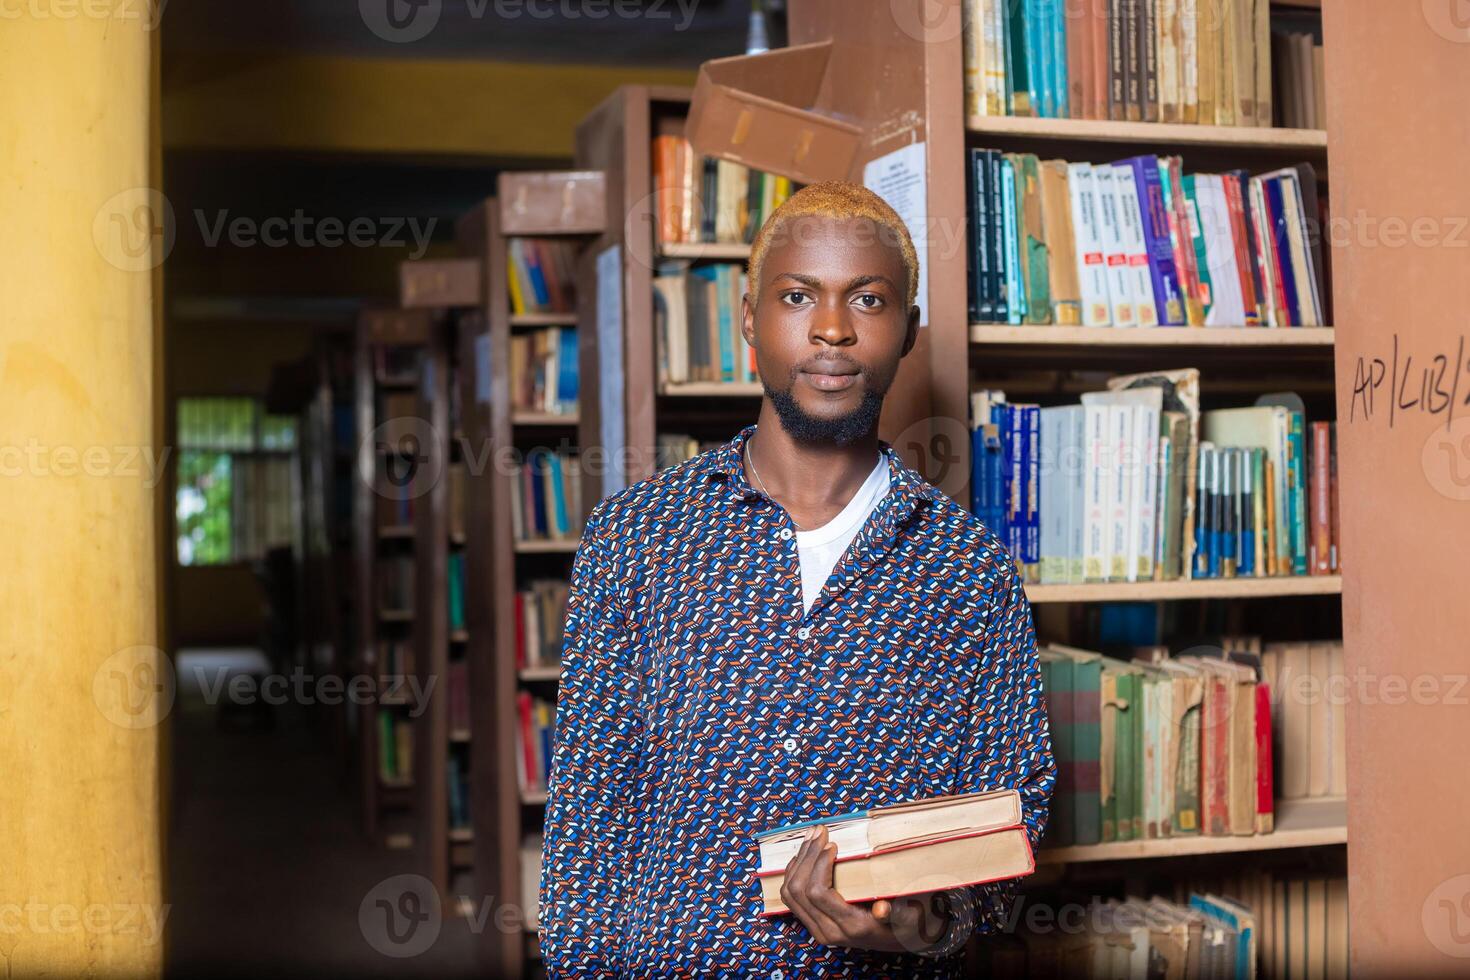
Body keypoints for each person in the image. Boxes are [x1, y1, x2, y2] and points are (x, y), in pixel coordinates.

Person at [539, 180, 1054, 977]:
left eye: (869, 300)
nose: (832, 329)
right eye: (797, 295)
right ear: (750, 319)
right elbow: (591, 823)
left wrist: (913, 927)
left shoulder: (969, 568)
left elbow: (1011, 818)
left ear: (908, 332)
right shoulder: (635, 537)